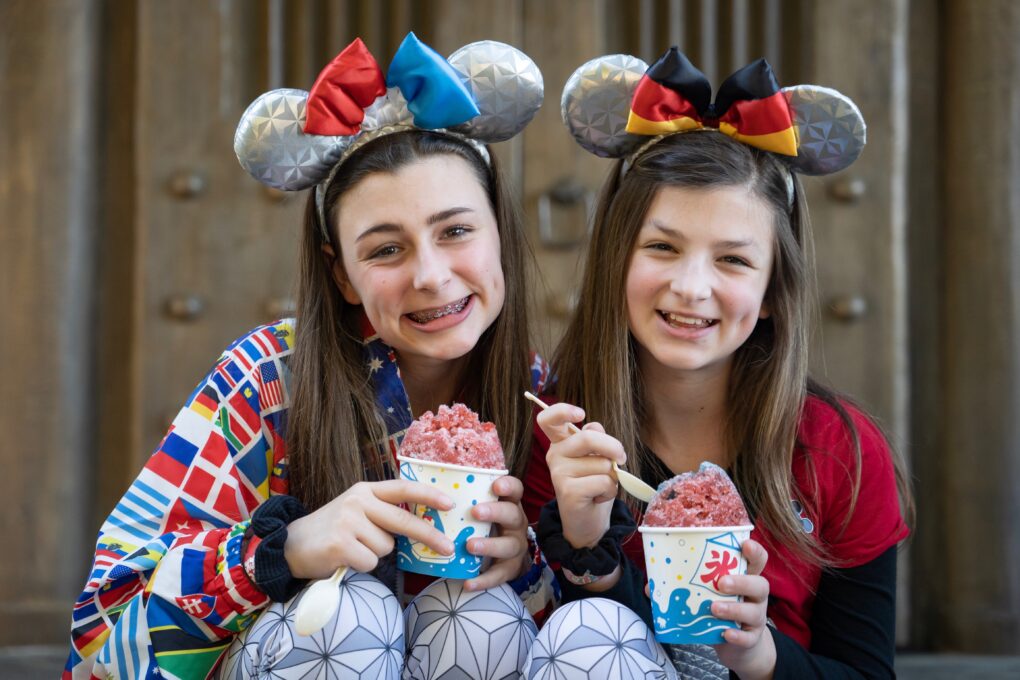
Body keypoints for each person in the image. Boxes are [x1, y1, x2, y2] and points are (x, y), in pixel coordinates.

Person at [65, 34, 557, 680]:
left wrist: (526, 566)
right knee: (348, 616)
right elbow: (102, 635)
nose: (432, 276)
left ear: (499, 232)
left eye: (456, 231)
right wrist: (279, 553)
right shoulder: (268, 377)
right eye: (386, 250)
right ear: (343, 275)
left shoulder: (541, 400)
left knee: (484, 615)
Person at [524, 49, 913, 679]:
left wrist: (762, 656)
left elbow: (867, 671)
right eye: (662, 247)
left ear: (769, 295)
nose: (691, 287)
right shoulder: (562, 439)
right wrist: (588, 546)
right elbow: (566, 653)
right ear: (615, 262)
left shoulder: (840, 451)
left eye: (732, 260)